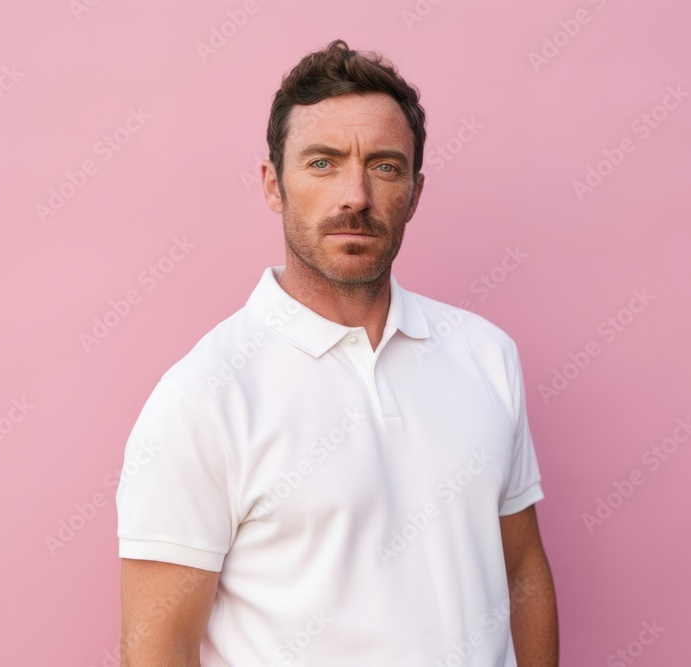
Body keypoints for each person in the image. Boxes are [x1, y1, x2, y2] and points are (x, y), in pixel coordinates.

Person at [115, 38, 558, 666]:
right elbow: (158, 652)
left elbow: (521, 571)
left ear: (415, 189)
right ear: (274, 184)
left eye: (384, 165)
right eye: (322, 163)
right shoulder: (203, 396)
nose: (355, 195)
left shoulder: (487, 356)